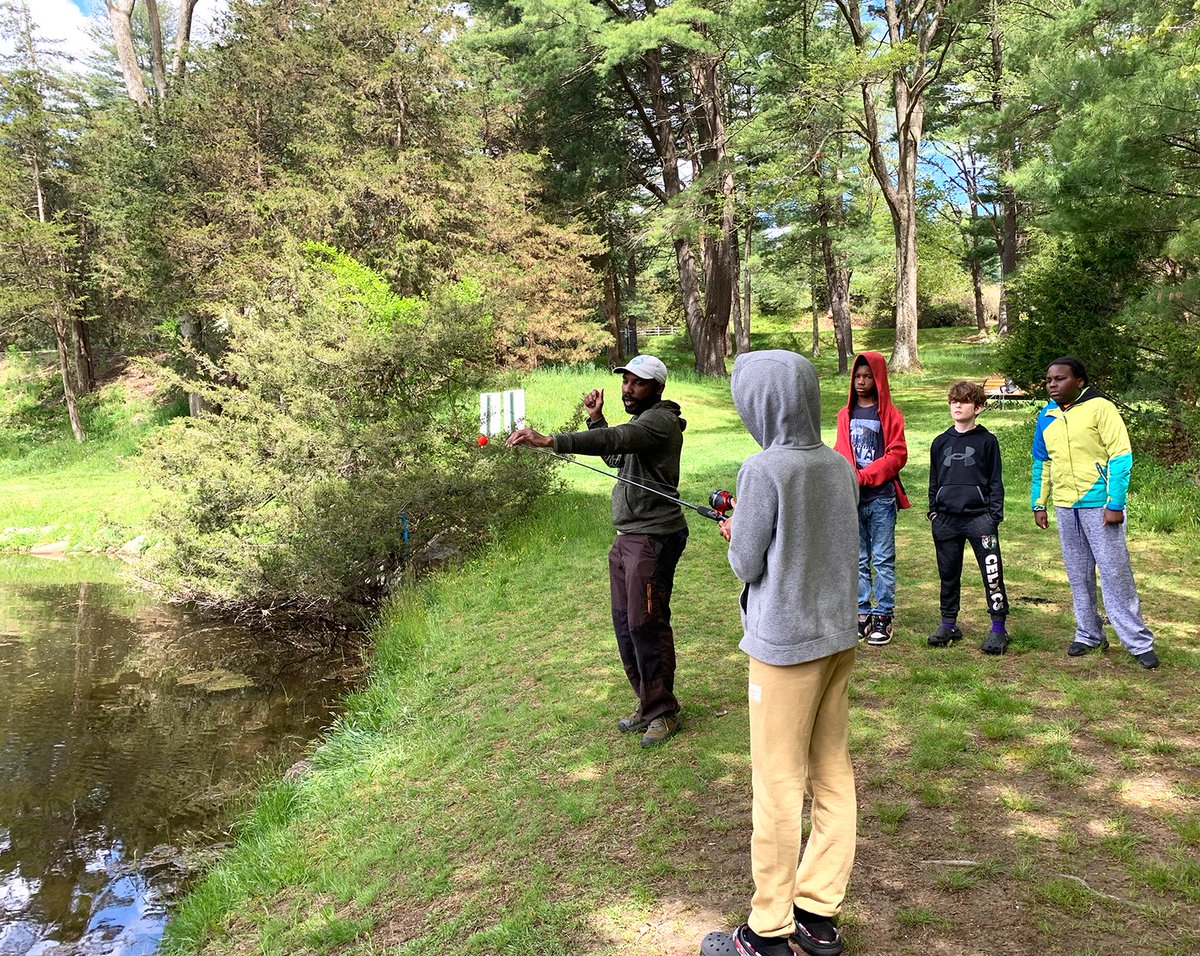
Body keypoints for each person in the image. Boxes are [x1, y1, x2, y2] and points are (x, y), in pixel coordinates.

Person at [701, 350, 858, 956]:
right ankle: (818, 915)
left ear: (761, 402)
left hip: (785, 650)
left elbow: (746, 561)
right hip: (838, 639)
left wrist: (736, 532)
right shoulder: (838, 464)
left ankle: (767, 930)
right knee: (832, 775)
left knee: (776, 784)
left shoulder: (762, 470)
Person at [506, 354, 689, 744]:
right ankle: (649, 702)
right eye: (625, 381)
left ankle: (664, 711)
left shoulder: (660, 421)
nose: (627, 388)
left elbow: (617, 439)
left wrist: (554, 440)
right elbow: (616, 454)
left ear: (656, 388)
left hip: (653, 538)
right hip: (627, 538)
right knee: (625, 625)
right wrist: (594, 418)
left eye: (637, 382)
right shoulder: (643, 423)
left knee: (646, 623)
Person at [1032, 356, 1159, 669]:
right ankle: (1088, 633)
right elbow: (1042, 462)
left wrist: (1114, 503)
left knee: (1115, 573)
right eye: (1049, 380)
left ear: (1079, 381)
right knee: (1078, 573)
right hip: (1065, 505)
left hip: (1100, 505)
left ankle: (1137, 642)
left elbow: (1120, 455)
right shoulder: (1046, 415)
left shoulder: (1101, 408)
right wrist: (1040, 502)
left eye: (1060, 379)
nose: (1052, 385)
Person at [927, 381, 1010, 654]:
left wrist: (993, 516)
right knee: (948, 574)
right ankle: (949, 623)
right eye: (953, 401)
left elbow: (995, 481)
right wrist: (934, 512)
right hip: (946, 521)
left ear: (978, 407)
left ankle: (998, 628)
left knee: (992, 573)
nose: (957, 406)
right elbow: (934, 480)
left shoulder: (987, 441)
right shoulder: (940, 442)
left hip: (979, 520)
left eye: (963, 401)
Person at [834, 351, 910, 646]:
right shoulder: (845, 414)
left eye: (867, 376)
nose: (861, 382)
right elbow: (841, 450)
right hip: (853, 499)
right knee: (859, 558)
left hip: (880, 498)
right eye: (857, 376)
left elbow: (897, 454)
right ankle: (862, 612)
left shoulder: (890, 415)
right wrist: (846, 478)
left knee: (883, 558)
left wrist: (865, 477)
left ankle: (883, 615)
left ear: (878, 378)